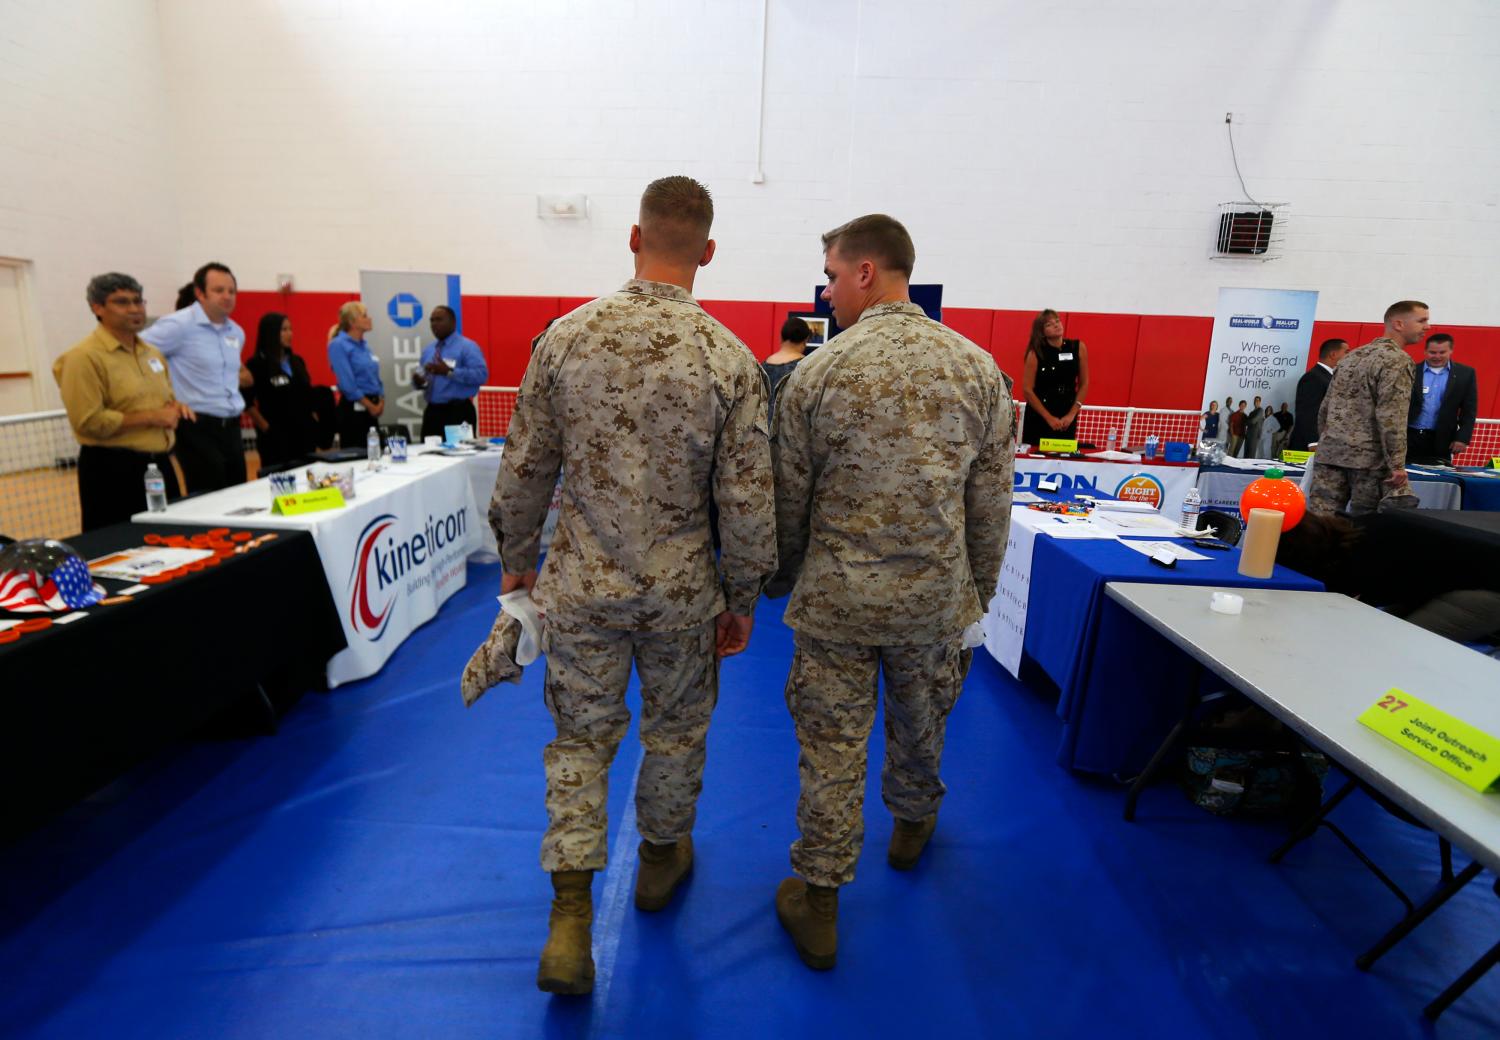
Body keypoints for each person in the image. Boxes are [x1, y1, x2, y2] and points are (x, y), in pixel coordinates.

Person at [491, 176, 776, 996]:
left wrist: (518, 557)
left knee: (579, 743)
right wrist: (744, 594)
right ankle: (659, 860)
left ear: (631, 237)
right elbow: (748, 500)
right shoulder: (727, 357)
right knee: (677, 731)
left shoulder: (566, 338)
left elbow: (525, 470)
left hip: (581, 585)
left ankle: (570, 916)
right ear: (708, 252)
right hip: (684, 592)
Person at [769, 214, 1013, 971]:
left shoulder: (818, 372)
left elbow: (788, 500)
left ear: (867, 272)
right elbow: (992, 504)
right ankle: (912, 826)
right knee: (921, 722)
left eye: (834, 277)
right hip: (934, 599)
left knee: (831, 750)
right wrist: (977, 591)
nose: (829, 293)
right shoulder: (977, 369)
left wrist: (783, 581)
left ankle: (819, 898)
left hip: (838, 603)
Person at [53, 273, 192, 530]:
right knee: (119, 546)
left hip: (159, 464)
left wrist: (176, 408)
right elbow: (88, 421)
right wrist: (153, 417)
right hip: (113, 470)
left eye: (138, 302)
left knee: (173, 539)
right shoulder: (83, 358)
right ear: (97, 308)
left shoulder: (152, 354)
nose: (134, 309)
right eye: (122, 302)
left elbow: (166, 399)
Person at [1309, 301, 1427, 516]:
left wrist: (1329, 441)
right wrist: (1397, 464)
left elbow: (1325, 408)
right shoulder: (1397, 360)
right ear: (1399, 324)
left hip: (1330, 453)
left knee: (1321, 522)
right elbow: (1391, 417)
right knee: (1364, 525)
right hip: (1368, 461)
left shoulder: (1352, 357)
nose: (1427, 327)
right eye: (1421, 321)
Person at [140, 262, 250, 493]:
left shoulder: (236, 333)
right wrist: (167, 398)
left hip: (230, 425)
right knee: (210, 493)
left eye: (231, 291)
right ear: (200, 293)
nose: (227, 296)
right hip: (197, 425)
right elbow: (136, 355)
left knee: (238, 492)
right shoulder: (178, 325)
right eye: (219, 290)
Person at [245, 312, 316, 469]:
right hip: (276, 438)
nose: (289, 334)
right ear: (270, 332)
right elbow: (247, 402)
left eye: (290, 329)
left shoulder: (297, 361)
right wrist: (266, 427)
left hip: (304, 435)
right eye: (284, 330)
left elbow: (307, 393)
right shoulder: (257, 364)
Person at [412, 305, 488, 440]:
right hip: (433, 413)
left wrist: (449, 372)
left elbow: (481, 375)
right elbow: (421, 379)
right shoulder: (428, 350)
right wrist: (418, 382)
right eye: (432, 320)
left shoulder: (468, 347)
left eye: (439, 319)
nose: (434, 324)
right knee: (429, 457)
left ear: (453, 322)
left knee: (460, 458)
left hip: (458, 413)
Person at [1019, 308, 1088, 447]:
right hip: (1040, 415)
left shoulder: (1078, 347)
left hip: (1066, 415)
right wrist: (1048, 418)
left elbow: (1084, 383)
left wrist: (1072, 414)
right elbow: (1027, 390)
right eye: (1049, 324)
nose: (1056, 325)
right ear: (1042, 332)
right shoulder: (1035, 353)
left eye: (1057, 321)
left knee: (1064, 456)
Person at [1406, 333, 1478, 466]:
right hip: (1409, 437)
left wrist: (1462, 438)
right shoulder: (1410, 371)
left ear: (1451, 350)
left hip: (1442, 439)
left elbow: (1469, 410)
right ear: (1425, 351)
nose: (1437, 356)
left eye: (1442, 352)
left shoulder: (1466, 374)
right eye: (1432, 352)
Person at [327, 301, 383, 448]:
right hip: (354, 411)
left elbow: (375, 377)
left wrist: (381, 400)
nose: (369, 319)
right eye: (364, 316)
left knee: (375, 454)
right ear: (352, 322)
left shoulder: (365, 346)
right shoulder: (338, 345)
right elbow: (347, 383)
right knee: (357, 455)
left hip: (372, 408)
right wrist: (370, 406)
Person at [1290, 339, 1349, 451]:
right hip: (1307, 447)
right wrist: (1313, 442)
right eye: (1346, 352)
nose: (1350, 356)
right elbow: (1307, 412)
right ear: (1333, 354)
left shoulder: (1329, 377)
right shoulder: (1314, 378)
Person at [762, 316, 812, 423]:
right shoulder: (807, 367)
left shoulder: (763, 366)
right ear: (806, 339)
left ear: (781, 337)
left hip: (764, 429)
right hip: (791, 431)